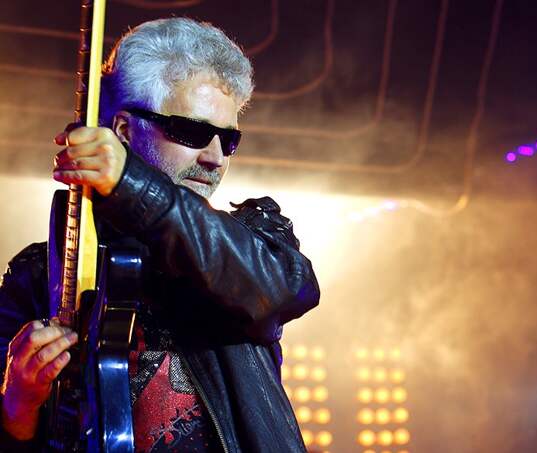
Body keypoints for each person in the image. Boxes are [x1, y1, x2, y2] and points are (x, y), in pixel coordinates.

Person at [0, 18, 320, 452]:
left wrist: (133, 183)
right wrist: (17, 409)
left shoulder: (251, 236)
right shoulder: (41, 274)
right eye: (193, 132)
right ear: (124, 132)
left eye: (228, 140)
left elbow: (283, 289)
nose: (214, 158)